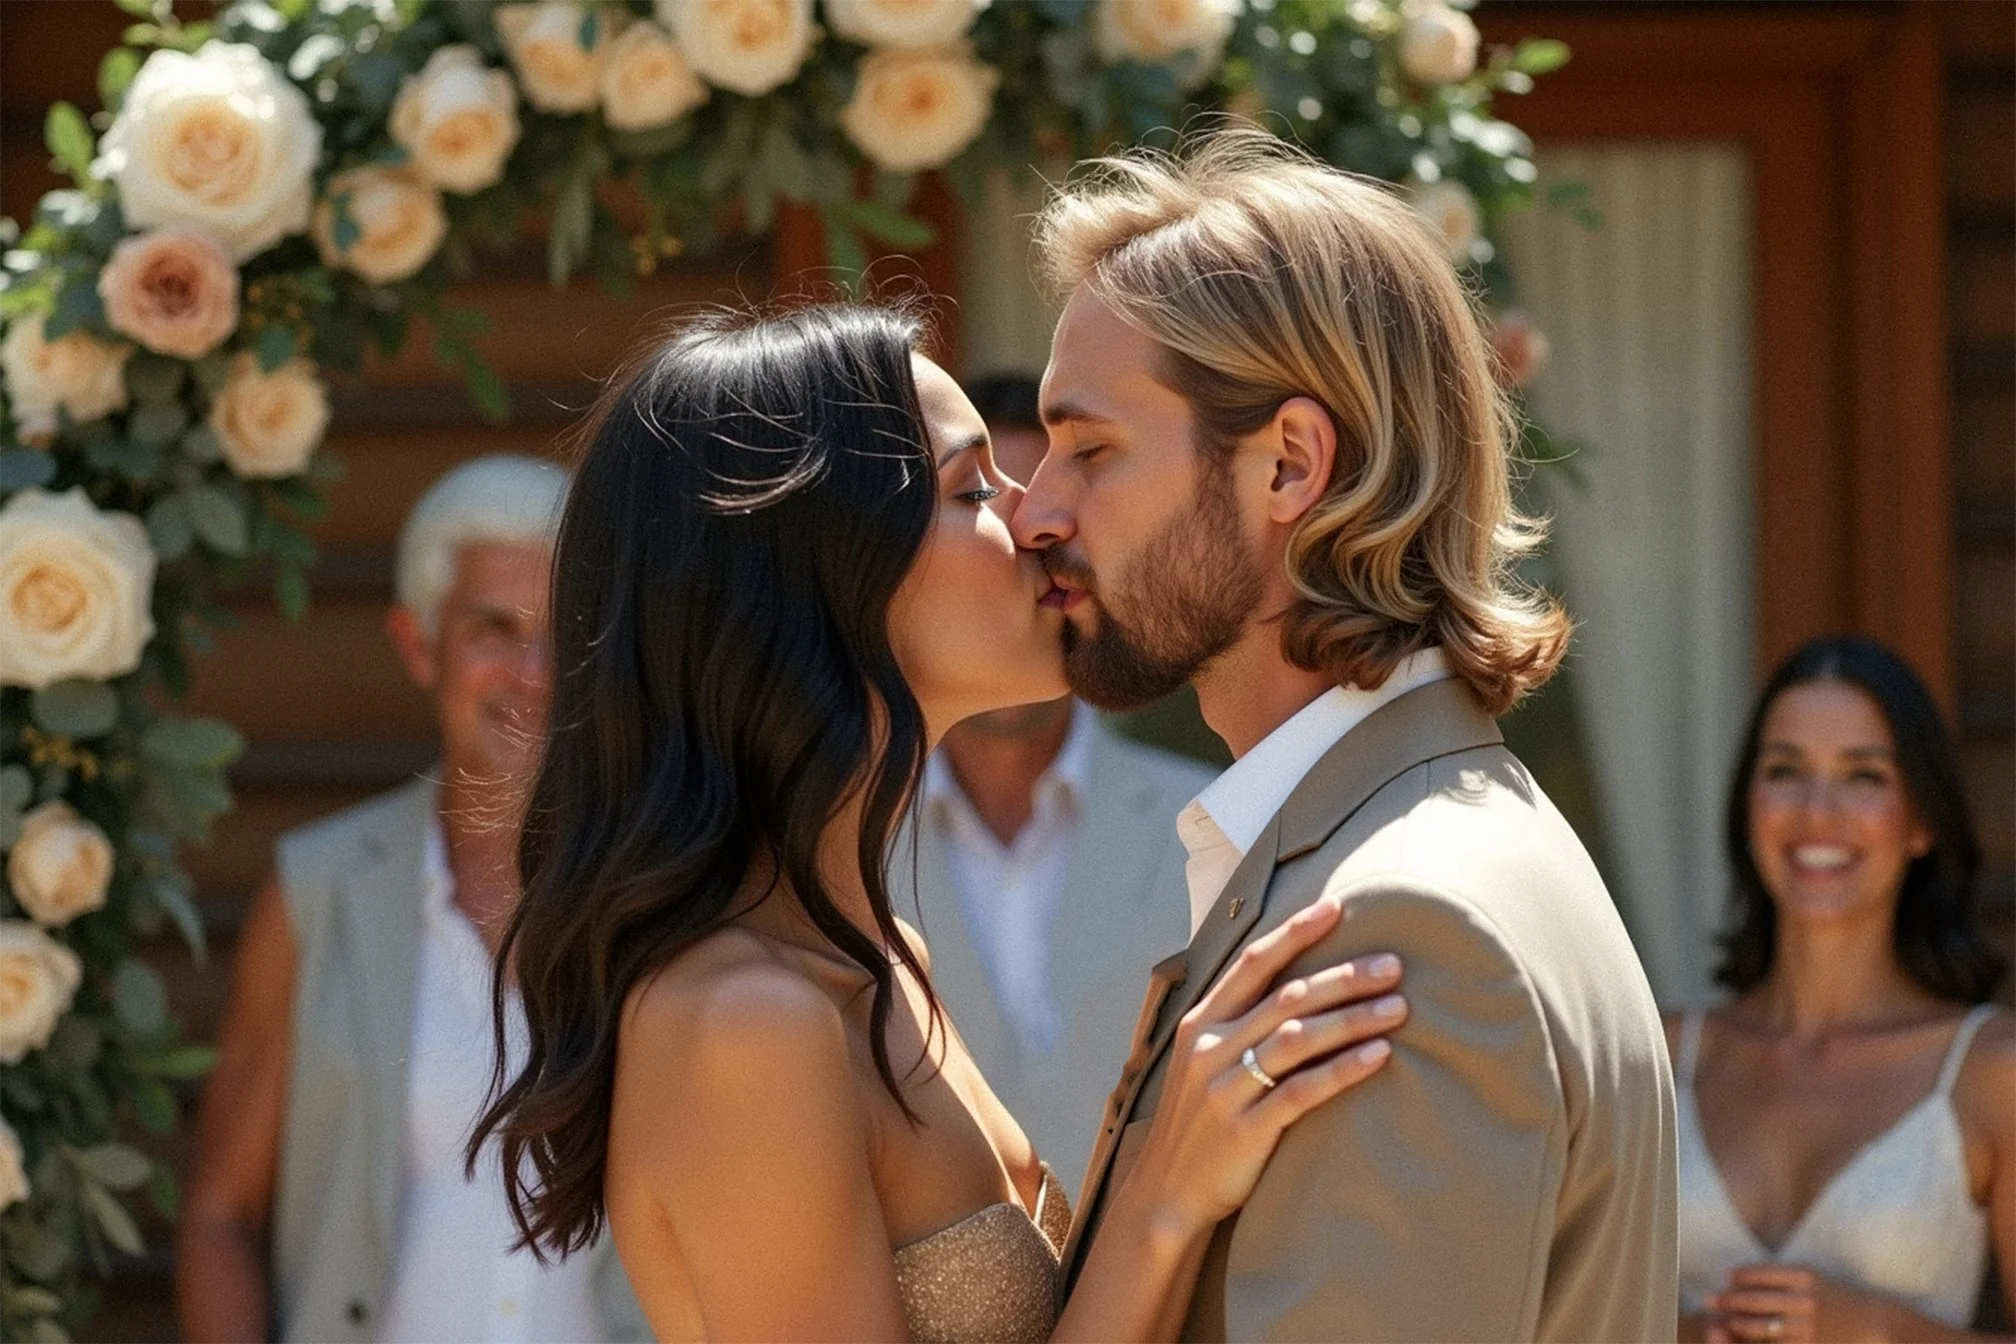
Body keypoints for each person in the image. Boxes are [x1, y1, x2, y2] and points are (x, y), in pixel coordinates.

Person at [465, 304, 1413, 1342]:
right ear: (817, 573)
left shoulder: (880, 960)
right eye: (975, 489)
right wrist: (1158, 1197)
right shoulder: (748, 1023)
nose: (1043, 519)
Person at [1012, 129, 1678, 1340]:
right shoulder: (1404, 858)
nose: (1036, 511)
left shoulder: (1407, 929)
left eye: (1090, 448)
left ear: (1291, 466)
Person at [175, 457, 647, 1342]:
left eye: (566, 631)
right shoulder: (319, 894)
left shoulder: (671, 891)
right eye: (494, 628)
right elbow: (218, 1216)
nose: (535, 673)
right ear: (417, 644)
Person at [896, 373, 1215, 1194]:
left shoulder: (1218, 827)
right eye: (975, 495)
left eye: (1054, 535)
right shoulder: (820, 861)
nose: (1033, 540)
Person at [1672, 635, 2014, 1343]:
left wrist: (1876, 1328)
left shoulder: (1991, 1071)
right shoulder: (1661, 1058)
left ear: (1922, 821)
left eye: (1864, 777)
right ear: (1749, 806)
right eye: (1785, 770)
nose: (1818, 812)